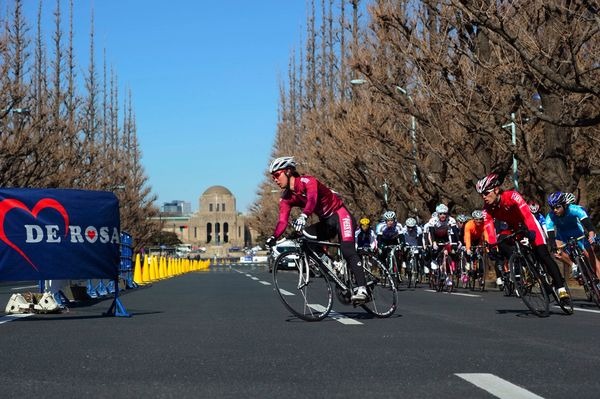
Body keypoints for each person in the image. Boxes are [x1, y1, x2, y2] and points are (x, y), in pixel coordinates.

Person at [265, 156, 368, 302]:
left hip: (340, 215)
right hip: (326, 222)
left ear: (288, 171)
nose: (275, 179)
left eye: (277, 175)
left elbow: (312, 199)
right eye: (273, 177)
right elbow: (282, 221)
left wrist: (304, 216)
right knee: (306, 236)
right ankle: (335, 265)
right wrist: (274, 237)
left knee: (347, 250)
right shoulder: (286, 197)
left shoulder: (308, 181)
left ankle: (363, 289)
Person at [475, 173, 570, 302]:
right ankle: (524, 261)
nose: (484, 197)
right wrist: (492, 245)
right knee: (501, 241)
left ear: (496, 190)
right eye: (482, 195)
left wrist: (530, 231)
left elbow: (526, 214)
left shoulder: (511, 195)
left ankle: (560, 288)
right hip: (512, 228)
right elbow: (489, 226)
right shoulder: (487, 209)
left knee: (543, 254)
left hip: (528, 223)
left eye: (486, 193)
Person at [545, 191, 599, 278]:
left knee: (590, 256)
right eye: (552, 208)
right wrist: (553, 246)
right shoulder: (550, 217)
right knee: (556, 253)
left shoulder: (574, 209)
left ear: (564, 205)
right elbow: (551, 236)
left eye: (557, 207)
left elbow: (589, 226)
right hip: (562, 236)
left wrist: (591, 236)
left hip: (578, 233)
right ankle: (573, 265)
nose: (555, 210)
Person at [425, 204, 459, 286]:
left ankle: (448, 276)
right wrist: (433, 242)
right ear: (438, 214)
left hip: (445, 236)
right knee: (435, 250)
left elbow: (455, 232)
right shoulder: (433, 220)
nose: (443, 216)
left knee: (449, 253)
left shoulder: (451, 220)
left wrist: (458, 241)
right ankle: (434, 260)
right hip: (435, 236)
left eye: (444, 214)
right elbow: (431, 232)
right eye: (441, 214)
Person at [463, 210, 490, 284]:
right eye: (477, 219)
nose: (479, 221)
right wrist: (468, 248)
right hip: (469, 238)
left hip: (478, 239)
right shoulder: (469, 224)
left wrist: (487, 246)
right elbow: (468, 237)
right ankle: (468, 262)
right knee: (470, 252)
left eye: (480, 219)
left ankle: (480, 274)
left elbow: (486, 235)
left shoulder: (483, 224)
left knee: (480, 253)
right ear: (473, 219)